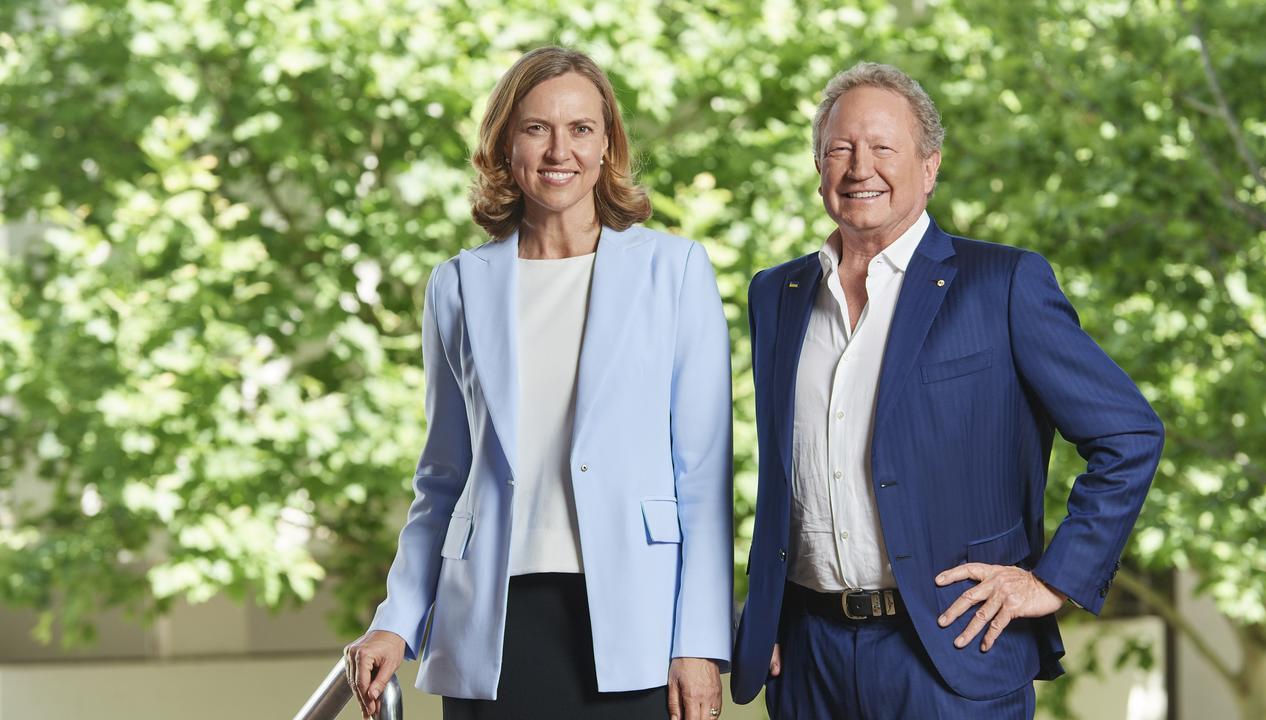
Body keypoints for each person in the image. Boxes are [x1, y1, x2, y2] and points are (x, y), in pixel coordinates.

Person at [730, 61, 1164, 718]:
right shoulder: (777, 295)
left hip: (951, 657)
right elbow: (782, 474)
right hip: (807, 658)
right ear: (818, 167)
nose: (859, 167)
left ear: (928, 168)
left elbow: (1128, 433)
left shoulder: (1003, 286)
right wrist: (762, 610)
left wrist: (1053, 581)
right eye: (840, 149)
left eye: (883, 148)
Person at [342, 47, 733, 720]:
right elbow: (442, 478)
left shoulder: (675, 272)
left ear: (607, 143)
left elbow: (702, 478)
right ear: (505, 145)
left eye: (581, 128)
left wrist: (698, 641)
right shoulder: (458, 286)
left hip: (633, 623)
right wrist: (397, 616)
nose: (560, 150)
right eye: (536, 128)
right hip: (489, 630)